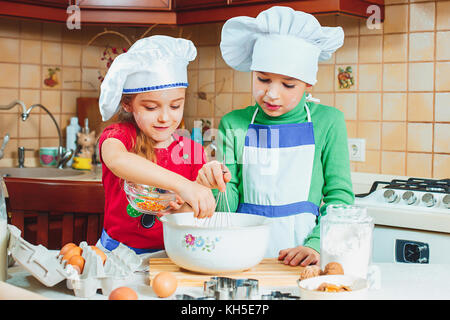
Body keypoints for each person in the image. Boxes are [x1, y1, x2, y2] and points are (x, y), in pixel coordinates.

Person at [196, 7, 354, 266]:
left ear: (308, 83)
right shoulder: (234, 123)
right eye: (263, 79)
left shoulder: (329, 121)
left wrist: (315, 245)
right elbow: (226, 209)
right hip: (241, 253)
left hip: (304, 256)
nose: (272, 94)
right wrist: (215, 186)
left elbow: (340, 199)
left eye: (288, 84)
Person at [97, 35, 216, 254]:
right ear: (127, 104)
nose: (164, 117)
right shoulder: (119, 137)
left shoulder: (192, 151)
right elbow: (117, 160)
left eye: (175, 106)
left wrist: (185, 205)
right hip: (117, 253)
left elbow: (190, 215)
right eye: (151, 107)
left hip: (170, 255)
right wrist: (183, 185)